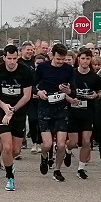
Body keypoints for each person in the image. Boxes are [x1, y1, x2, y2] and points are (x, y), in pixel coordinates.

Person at [0, 44, 33, 191]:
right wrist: (3, 106)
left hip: (18, 111)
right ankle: (10, 177)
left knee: (15, 151)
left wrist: (13, 109)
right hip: (1, 110)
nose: (12, 62)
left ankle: (9, 161)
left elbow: (27, 95)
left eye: (14, 59)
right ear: (4, 58)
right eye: (9, 58)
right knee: (7, 146)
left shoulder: (25, 71)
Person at [32, 42, 74, 182]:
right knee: (48, 144)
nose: (61, 62)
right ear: (52, 55)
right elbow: (32, 85)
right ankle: (44, 157)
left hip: (61, 108)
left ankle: (57, 170)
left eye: (63, 59)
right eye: (58, 59)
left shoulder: (68, 69)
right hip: (44, 106)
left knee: (61, 144)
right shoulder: (43, 67)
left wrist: (68, 91)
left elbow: (73, 89)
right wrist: (39, 91)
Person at [67, 48, 101, 179]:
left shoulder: (94, 77)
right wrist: (69, 98)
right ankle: (67, 150)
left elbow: (100, 92)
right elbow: (64, 89)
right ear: (78, 59)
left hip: (88, 112)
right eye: (83, 58)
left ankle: (81, 168)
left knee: (86, 141)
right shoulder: (71, 74)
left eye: (87, 59)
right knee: (72, 142)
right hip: (72, 111)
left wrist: (96, 95)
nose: (85, 61)